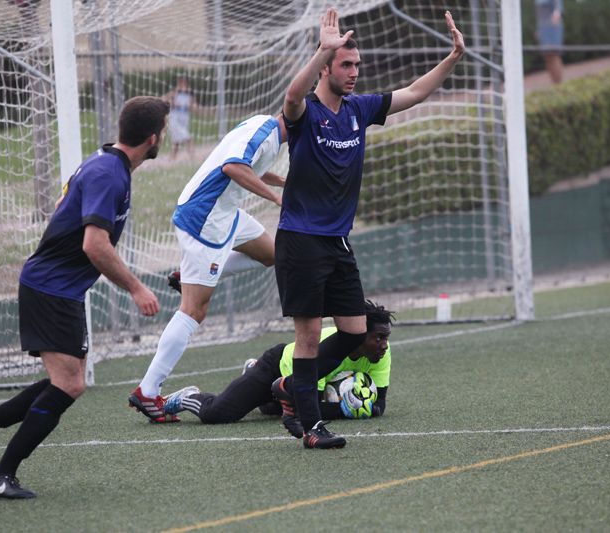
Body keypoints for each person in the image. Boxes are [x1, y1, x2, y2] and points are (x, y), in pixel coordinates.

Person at [0, 96, 170, 499]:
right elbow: (94, 245)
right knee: (69, 385)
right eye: (164, 131)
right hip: (52, 288)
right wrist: (136, 288)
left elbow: (64, 210)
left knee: (65, 381)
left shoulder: (106, 164)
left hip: (57, 287)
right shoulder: (109, 173)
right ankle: (0, 476)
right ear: (153, 137)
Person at [273, 7, 463, 449]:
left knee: (357, 330)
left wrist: (453, 57)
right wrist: (322, 50)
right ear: (327, 67)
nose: (355, 72)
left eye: (357, 64)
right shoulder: (307, 113)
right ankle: (311, 426)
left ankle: (294, 395)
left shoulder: (359, 109)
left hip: (338, 243)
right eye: (346, 64)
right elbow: (291, 96)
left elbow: (414, 93)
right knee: (306, 335)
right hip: (301, 240)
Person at [129, 114, 287, 423]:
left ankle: (188, 277)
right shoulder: (266, 133)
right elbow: (231, 167)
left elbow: (243, 164)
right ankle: (147, 391)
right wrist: (278, 199)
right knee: (194, 310)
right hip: (206, 218)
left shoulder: (269, 130)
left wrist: (281, 180)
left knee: (273, 254)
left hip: (225, 213)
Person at [162, 301, 393, 430]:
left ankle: (254, 378)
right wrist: (348, 409)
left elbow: (380, 403)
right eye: (378, 337)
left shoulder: (383, 354)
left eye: (386, 338)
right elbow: (308, 409)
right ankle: (188, 396)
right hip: (277, 368)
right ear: (360, 334)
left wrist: (366, 408)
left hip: (293, 389)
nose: (384, 345)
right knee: (217, 414)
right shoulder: (330, 348)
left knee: (273, 411)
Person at [165, 76, 195, 159]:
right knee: (188, 137)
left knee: (176, 141)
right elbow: (165, 100)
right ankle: (192, 157)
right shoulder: (174, 93)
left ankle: (172, 158)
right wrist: (172, 101)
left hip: (184, 119)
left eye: (185, 83)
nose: (183, 85)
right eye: (181, 83)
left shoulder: (189, 95)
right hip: (175, 119)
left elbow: (193, 106)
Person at [536, 0, 564, 85]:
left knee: (554, 55)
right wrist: (538, 29)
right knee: (547, 56)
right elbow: (538, 14)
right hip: (543, 27)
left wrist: (557, 13)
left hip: (553, 26)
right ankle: (554, 82)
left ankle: (559, 84)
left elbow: (558, 5)